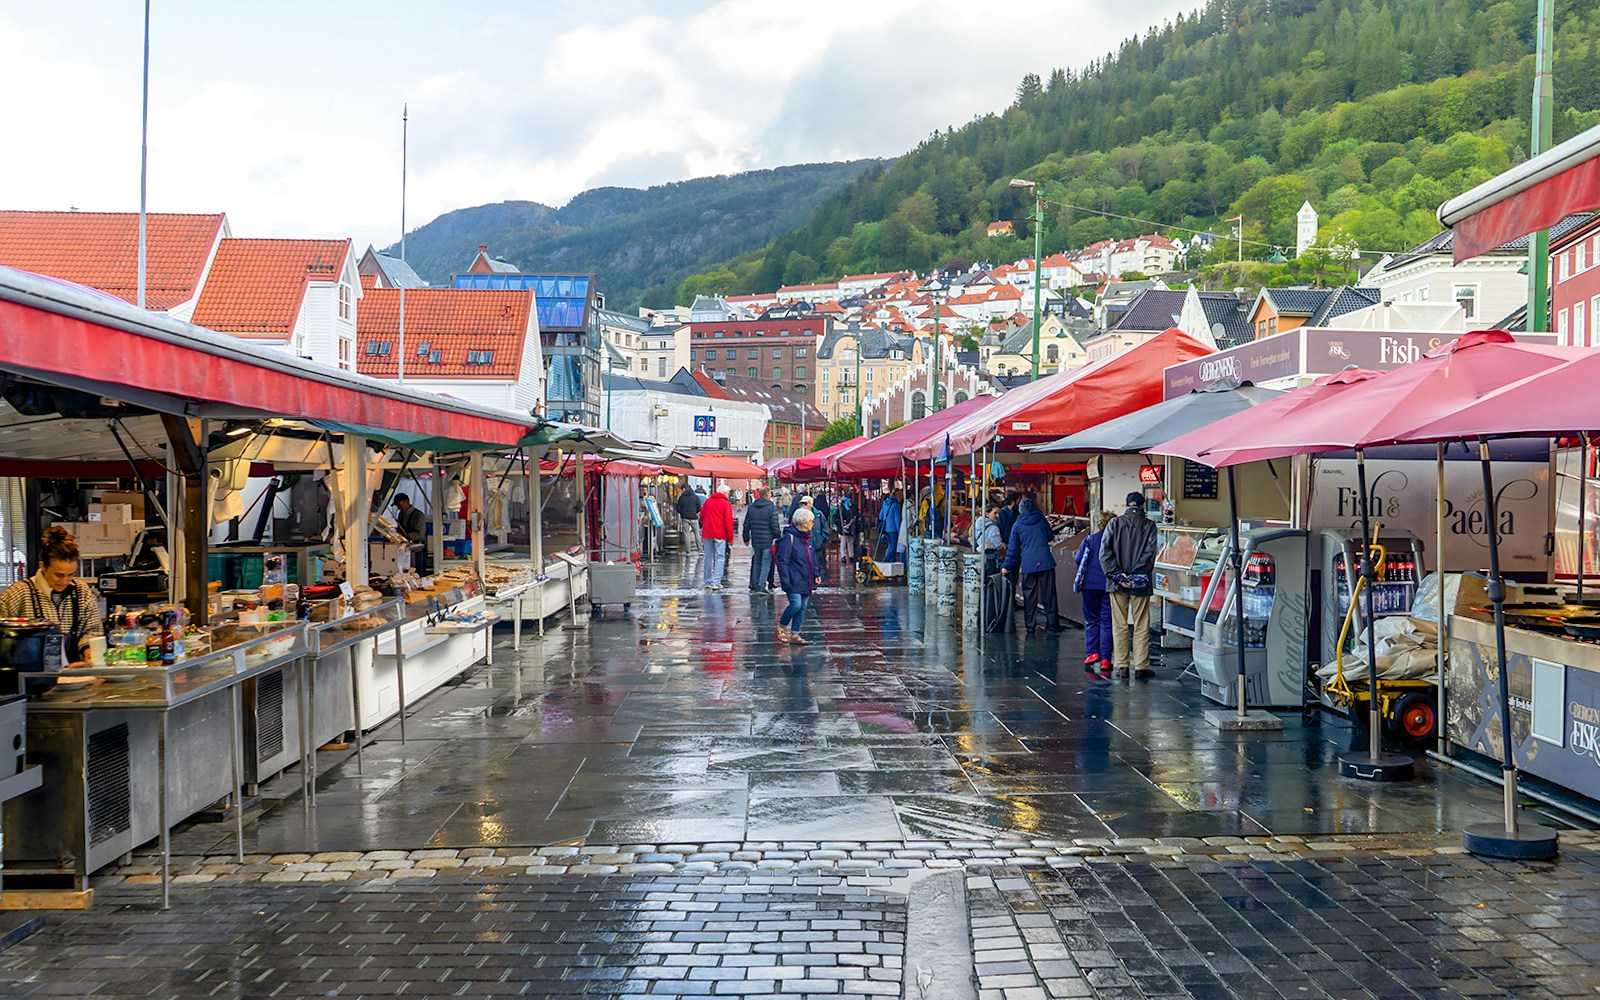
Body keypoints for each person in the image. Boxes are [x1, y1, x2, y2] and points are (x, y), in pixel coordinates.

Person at [0, 526, 105, 664]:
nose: (65, 581)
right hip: (31, 673)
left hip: (75, 671)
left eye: (71, 574)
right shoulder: (18, 593)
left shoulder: (81, 591)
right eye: (58, 575)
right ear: (43, 566)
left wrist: (88, 650)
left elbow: (92, 629)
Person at [1100, 492, 1160, 679]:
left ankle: (1122, 665)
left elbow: (1104, 553)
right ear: (1142, 506)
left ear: (1126, 505)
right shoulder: (1149, 526)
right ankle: (1141, 665)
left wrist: (1117, 573)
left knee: (1119, 624)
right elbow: (1150, 553)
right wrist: (1136, 574)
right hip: (1140, 583)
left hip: (1117, 583)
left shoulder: (1114, 524)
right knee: (1141, 623)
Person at [1001, 494, 1064, 635]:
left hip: (1028, 564)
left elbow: (1013, 550)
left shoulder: (1017, 525)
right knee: (1049, 595)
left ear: (1021, 510)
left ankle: (1030, 626)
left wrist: (1006, 566)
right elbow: (1050, 536)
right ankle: (1053, 624)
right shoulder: (1041, 520)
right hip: (1045, 562)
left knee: (1029, 596)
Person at [1075, 511, 1116, 677]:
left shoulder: (1090, 540)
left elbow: (1079, 559)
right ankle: (1106, 658)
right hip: (1108, 584)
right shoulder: (1116, 541)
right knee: (1107, 621)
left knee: (1092, 619)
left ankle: (1093, 653)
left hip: (1089, 585)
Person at [775, 508, 819, 645]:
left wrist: (816, 574)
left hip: (806, 577)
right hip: (794, 578)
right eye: (811, 521)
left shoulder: (808, 537)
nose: (813, 523)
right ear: (804, 523)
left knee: (803, 606)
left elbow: (813, 557)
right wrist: (785, 580)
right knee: (796, 604)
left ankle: (795, 633)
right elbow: (782, 560)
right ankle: (781, 627)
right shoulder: (790, 538)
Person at [742, 487, 782, 593]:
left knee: (757, 561)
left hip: (756, 539)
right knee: (766, 562)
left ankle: (755, 584)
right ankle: (761, 585)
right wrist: (778, 536)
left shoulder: (751, 507)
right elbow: (774, 524)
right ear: (768, 494)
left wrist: (746, 537)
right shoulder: (771, 507)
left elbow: (746, 524)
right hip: (768, 540)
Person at [699, 487, 735, 591]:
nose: (728, 495)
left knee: (708, 557)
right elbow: (729, 522)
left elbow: (701, 516)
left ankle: (707, 580)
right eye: (728, 493)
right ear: (724, 492)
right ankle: (716, 581)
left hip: (707, 532)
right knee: (720, 557)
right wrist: (730, 537)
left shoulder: (708, 501)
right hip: (720, 534)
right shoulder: (726, 504)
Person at [393, 493, 428, 573]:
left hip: (417, 550)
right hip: (405, 549)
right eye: (398, 507)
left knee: (417, 572)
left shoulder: (418, 515)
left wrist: (405, 536)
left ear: (407, 501)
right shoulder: (401, 514)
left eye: (401, 506)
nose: (399, 509)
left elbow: (420, 535)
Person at [675, 485, 703, 553]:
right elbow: (699, 507)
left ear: (684, 489)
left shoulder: (682, 497)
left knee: (686, 534)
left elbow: (678, 508)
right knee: (697, 534)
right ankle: (700, 550)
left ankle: (688, 551)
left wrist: (682, 513)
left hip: (685, 518)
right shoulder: (695, 497)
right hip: (694, 517)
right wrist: (695, 512)